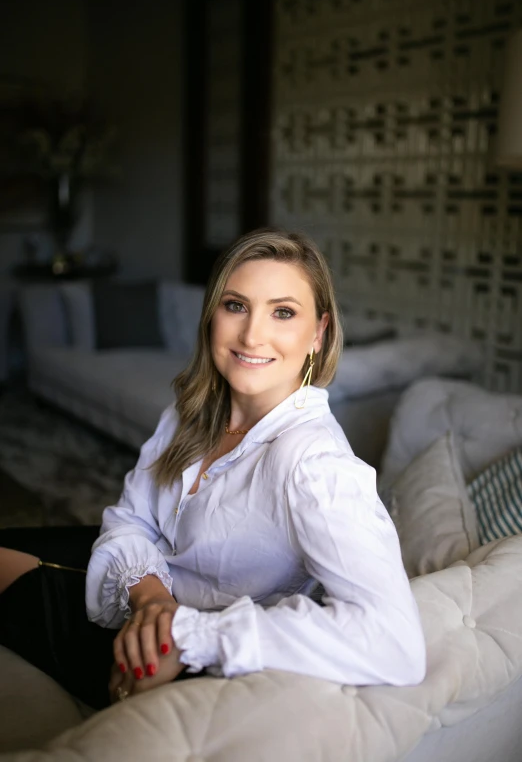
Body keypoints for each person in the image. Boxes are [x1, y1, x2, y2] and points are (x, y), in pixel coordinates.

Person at [0, 228, 426, 710]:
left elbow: (395, 643)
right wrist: (152, 600)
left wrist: (188, 634)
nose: (251, 335)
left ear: (318, 334)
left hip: (190, 658)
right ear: (212, 316)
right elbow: (130, 518)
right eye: (236, 305)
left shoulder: (315, 465)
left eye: (282, 312)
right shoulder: (192, 411)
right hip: (145, 587)